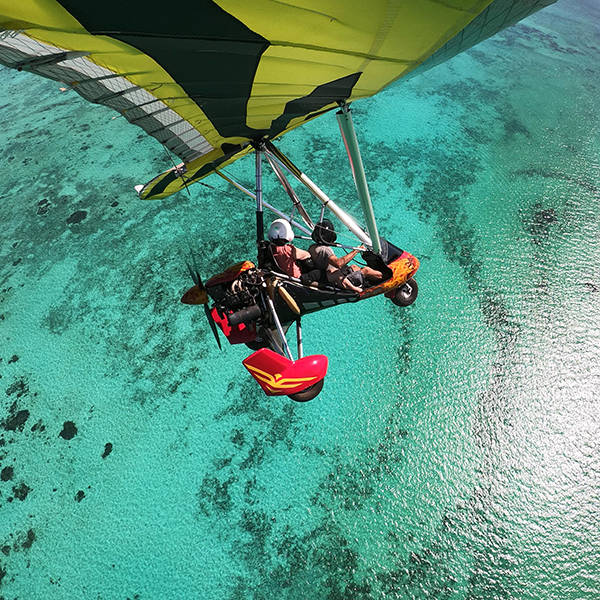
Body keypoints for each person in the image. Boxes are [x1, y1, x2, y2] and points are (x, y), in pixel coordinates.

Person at [309, 220, 383, 293]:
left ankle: (375, 277)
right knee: (367, 270)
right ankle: (387, 277)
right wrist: (356, 251)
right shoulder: (325, 250)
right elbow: (339, 264)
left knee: (355, 267)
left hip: (332, 275)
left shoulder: (312, 247)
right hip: (337, 280)